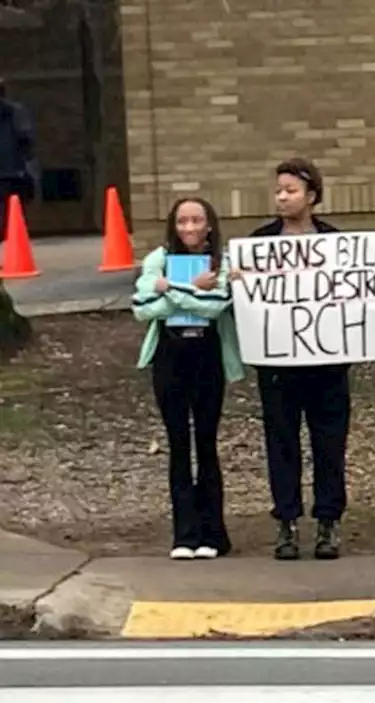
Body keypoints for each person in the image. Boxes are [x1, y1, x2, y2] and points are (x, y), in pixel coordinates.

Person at [240, 158, 350, 561]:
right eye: (279, 191)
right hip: (278, 367)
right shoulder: (260, 242)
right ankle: (285, 523)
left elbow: (357, 292)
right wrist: (239, 283)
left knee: (329, 445)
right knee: (281, 444)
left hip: (328, 365)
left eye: (290, 191)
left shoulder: (336, 242)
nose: (282, 197)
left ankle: (328, 522)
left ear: (312, 197)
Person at [131, 197, 243, 560]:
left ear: (209, 225)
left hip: (208, 359)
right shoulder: (157, 260)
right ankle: (184, 533)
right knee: (178, 445)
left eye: (197, 220)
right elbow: (143, 308)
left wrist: (173, 289)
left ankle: (213, 533)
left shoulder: (222, 262)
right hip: (170, 360)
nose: (190, 228)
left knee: (206, 443)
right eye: (182, 221)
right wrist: (193, 289)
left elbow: (217, 305)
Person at [0, 77, 37, 244]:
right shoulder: (15, 111)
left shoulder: (14, 111)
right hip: (12, 172)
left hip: (11, 172)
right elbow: (26, 139)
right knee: (12, 217)